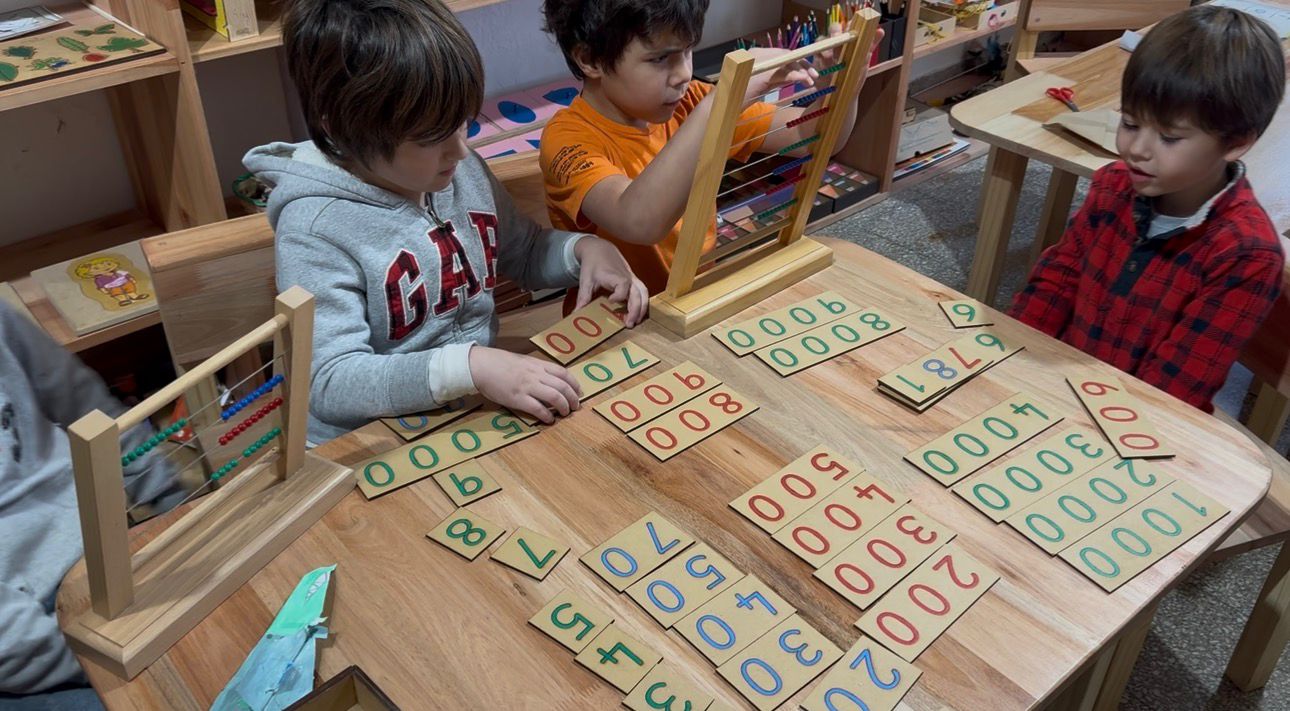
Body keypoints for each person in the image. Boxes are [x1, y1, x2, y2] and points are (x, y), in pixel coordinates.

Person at [244, 0, 648, 442]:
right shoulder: (315, 227)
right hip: (366, 442)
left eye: (463, 125)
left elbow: (524, 251)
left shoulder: (458, 167)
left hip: (466, 412)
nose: (461, 150)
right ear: (344, 129)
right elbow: (330, 382)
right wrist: (470, 366)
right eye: (433, 138)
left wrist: (584, 251)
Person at [1010, 5, 1286, 412]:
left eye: (1170, 138)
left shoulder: (1246, 254)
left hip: (1136, 427)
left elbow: (1175, 389)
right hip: (1062, 387)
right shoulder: (1113, 185)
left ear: (1236, 142)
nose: (1136, 150)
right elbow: (1055, 283)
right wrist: (1010, 360)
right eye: (1131, 123)